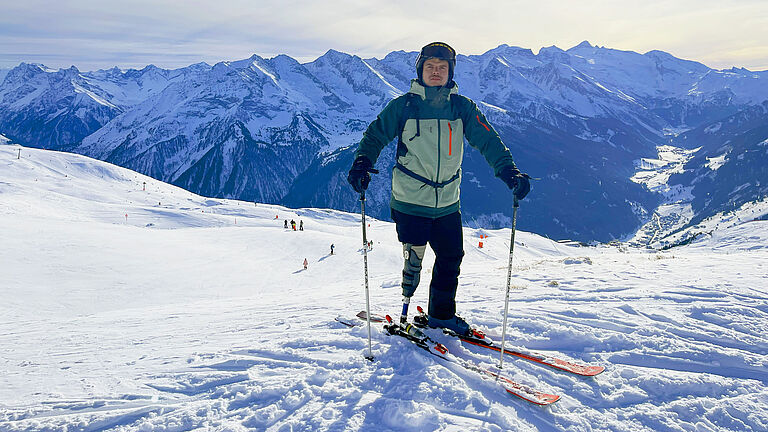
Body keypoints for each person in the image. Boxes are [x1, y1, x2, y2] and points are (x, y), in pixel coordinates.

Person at [347, 42, 531, 336]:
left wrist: (508, 171)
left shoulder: (462, 108)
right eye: (430, 67)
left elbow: (489, 141)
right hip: (410, 199)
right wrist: (362, 162)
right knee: (414, 260)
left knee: (451, 257)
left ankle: (441, 316)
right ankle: (404, 311)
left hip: (447, 201)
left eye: (442, 68)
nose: (436, 72)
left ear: (450, 73)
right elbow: (376, 134)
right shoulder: (404, 106)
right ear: (420, 71)